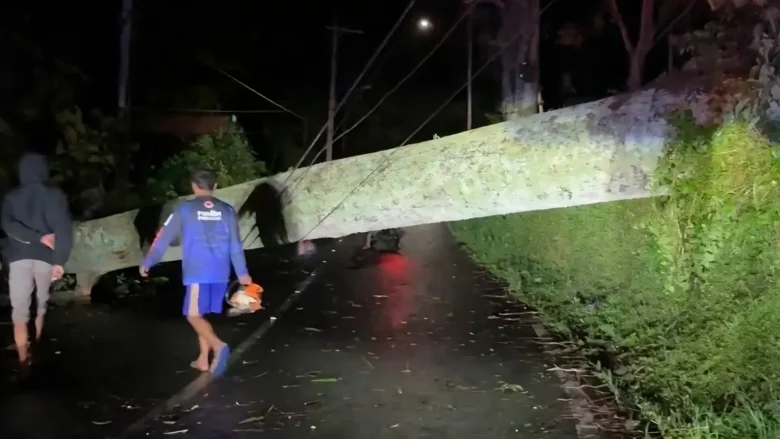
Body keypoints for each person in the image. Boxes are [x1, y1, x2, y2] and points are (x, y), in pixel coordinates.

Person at [139, 169, 251, 376]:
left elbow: (163, 237)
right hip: (220, 271)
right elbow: (235, 244)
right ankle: (202, 360)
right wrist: (243, 273)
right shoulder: (227, 210)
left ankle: (218, 346)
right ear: (215, 186)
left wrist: (149, 261)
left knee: (192, 315)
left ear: (193, 186)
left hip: (198, 271)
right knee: (201, 314)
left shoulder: (184, 209)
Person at [1, 153, 73, 367]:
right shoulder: (55, 195)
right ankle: (39, 346)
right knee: (40, 305)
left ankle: (23, 359)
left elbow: (7, 226)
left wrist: (33, 238)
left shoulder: (11, 198)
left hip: (18, 258)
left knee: (19, 310)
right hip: (45, 258)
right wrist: (60, 260)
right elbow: (64, 229)